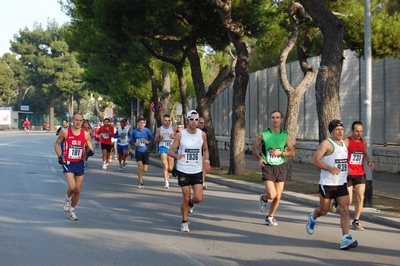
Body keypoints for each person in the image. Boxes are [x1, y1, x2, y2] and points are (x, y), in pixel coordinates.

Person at [306, 119, 358, 250]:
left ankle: (345, 238)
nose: (340, 132)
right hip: (327, 184)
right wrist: (329, 168)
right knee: (324, 210)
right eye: (337, 130)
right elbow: (315, 160)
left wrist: (346, 168)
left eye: (341, 129)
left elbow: (341, 160)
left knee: (345, 209)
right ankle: (313, 216)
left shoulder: (345, 143)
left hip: (341, 183)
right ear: (331, 132)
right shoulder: (326, 144)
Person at [167, 110, 211, 232]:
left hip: (196, 170)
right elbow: (170, 151)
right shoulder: (180, 135)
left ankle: (191, 204)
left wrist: (206, 162)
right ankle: (184, 222)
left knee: (198, 198)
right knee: (186, 198)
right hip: (183, 169)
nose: (194, 122)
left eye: (196, 119)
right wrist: (176, 156)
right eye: (191, 119)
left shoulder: (202, 135)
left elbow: (206, 149)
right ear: (187, 121)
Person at [252, 110, 295, 227]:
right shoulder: (264, 134)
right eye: (273, 118)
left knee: (278, 196)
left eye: (277, 117)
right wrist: (260, 158)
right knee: (272, 194)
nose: (275, 120)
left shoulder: (285, 135)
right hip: (268, 167)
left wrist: (280, 153)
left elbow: (292, 152)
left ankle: (270, 217)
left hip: (280, 167)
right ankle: (264, 198)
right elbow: (254, 149)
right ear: (270, 120)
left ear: (281, 120)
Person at [54, 113, 94, 221]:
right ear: (72, 120)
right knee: (72, 187)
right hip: (68, 162)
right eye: (76, 120)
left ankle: (72, 210)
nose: (78, 122)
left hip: (79, 163)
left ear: (82, 121)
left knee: (77, 190)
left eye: (80, 120)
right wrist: (59, 156)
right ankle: (67, 199)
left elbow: (90, 146)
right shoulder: (65, 132)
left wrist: (91, 151)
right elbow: (56, 144)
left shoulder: (85, 134)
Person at [343, 121, 374, 231]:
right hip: (348, 174)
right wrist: (345, 166)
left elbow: (365, 153)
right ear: (352, 130)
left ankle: (356, 221)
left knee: (361, 197)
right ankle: (337, 200)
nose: (358, 133)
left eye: (361, 131)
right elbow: (340, 154)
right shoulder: (347, 141)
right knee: (349, 200)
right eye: (356, 131)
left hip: (360, 173)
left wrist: (369, 162)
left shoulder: (363, 142)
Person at [130, 117, 154, 188]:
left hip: (145, 151)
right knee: (140, 166)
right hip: (138, 151)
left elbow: (152, 139)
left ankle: (141, 177)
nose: (141, 124)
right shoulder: (134, 132)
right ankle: (141, 183)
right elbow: (131, 141)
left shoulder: (147, 131)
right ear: (138, 123)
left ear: (144, 123)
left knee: (145, 170)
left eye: (143, 122)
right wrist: (134, 144)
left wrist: (148, 142)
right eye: (140, 122)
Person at [155, 114, 176, 189]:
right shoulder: (159, 129)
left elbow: (178, 137)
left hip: (171, 148)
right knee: (165, 164)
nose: (167, 122)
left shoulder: (173, 128)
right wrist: (161, 138)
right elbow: (155, 140)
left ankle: (168, 174)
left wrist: (174, 137)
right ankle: (166, 182)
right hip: (163, 147)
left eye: (168, 120)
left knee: (170, 168)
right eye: (165, 120)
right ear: (163, 121)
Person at [198, 117, 208, 189]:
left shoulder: (204, 131)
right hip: (194, 152)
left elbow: (205, 143)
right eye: (201, 123)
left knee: (203, 167)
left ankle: (202, 182)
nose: (203, 124)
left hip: (201, 151)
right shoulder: (193, 130)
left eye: (204, 123)